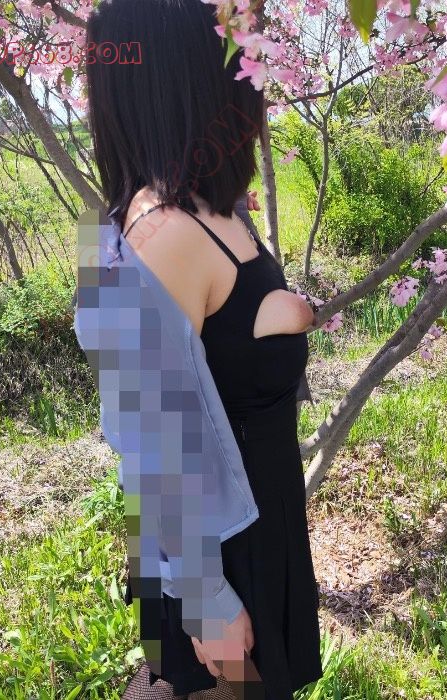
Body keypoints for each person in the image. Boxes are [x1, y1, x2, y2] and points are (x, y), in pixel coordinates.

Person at [83, 1, 323, 698]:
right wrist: (205, 600)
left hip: (256, 521)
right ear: (191, 79)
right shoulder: (166, 233)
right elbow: (147, 436)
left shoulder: (212, 209)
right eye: (231, 59)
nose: (249, 78)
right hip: (218, 554)